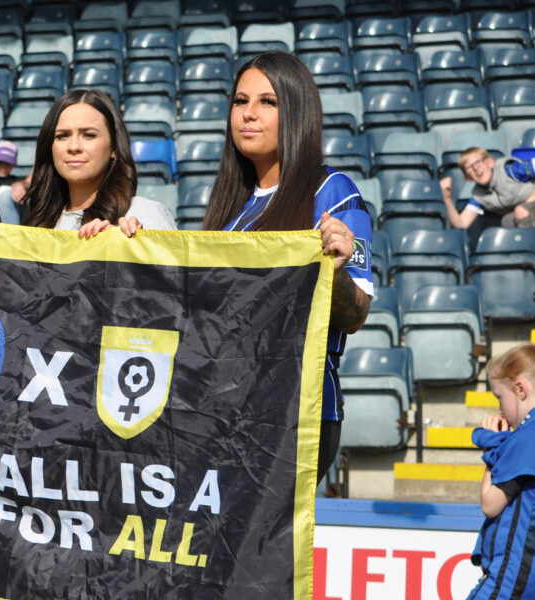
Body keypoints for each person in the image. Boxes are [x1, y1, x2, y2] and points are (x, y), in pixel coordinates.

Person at [201, 51, 373, 483]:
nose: (248, 114)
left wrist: (335, 270)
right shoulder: (230, 207)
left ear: (297, 111)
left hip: (295, 413)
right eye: (240, 101)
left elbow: (356, 315)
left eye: (268, 102)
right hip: (223, 411)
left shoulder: (333, 192)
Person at [21, 88, 176, 237]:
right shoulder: (35, 226)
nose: (73, 147)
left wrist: (131, 246)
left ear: (114, 148)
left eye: (89, 135)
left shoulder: (143, 214)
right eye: (62, 136)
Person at [467, 343, 535, 599]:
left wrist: (493, 448)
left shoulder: (525, 438)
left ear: (520, 389)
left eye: (499, 397)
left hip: (512, 578)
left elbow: (490, 504)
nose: (500, 409)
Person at [441, 147, 535, 230]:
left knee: (520, 211)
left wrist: (531, 197)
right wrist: (447, 198)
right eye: (469, 167)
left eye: (478, 162)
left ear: (490, 162)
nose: (476, 168)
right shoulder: (479, 196)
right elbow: (461, 224)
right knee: (507, 221)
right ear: (467, 177)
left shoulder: (510, 170)